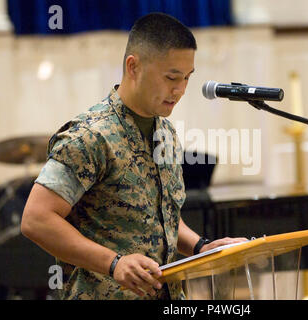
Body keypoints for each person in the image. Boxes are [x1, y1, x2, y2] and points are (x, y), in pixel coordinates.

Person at [21, 12, 247, 300]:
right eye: (171, 77)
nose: (179, 90)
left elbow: (161, 219)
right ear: (133, 66)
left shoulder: (165, 132)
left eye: (187, 78)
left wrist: (201, 246)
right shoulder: (90, 136)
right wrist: (113, 263)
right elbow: (36, 219)